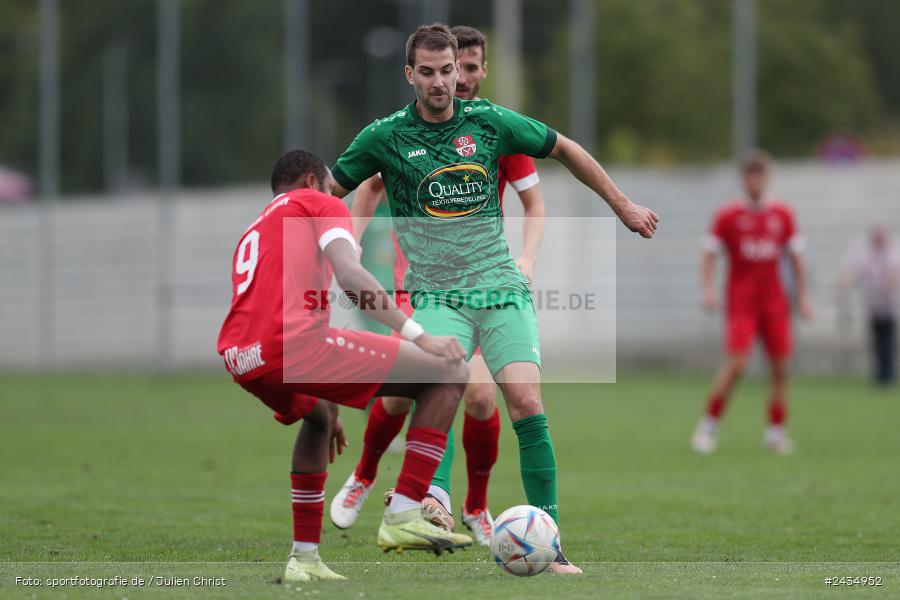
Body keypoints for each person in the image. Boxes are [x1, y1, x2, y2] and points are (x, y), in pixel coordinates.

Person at [328, 23, 659, 574]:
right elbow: (330, 194)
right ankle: (422, 498)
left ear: (459, 71)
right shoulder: (384, 136)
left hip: (499, 286)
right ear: (410, 75)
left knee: (526, 404)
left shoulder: (490, 123)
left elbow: (566, 149)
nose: (439, 83)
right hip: (436, 296)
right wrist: (317, 245)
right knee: (441, 387)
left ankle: (550, 545)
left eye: (447, 71)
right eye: (427, 73)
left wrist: (621, 206)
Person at [329, 24, 547, 548]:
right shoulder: (400, 134)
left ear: (478, 71)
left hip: (481, 282)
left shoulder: (492, 128)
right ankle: (386, 483)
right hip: (416, 280)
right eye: (447, 69)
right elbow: (368, 186)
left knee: (473, 396)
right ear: (415, 74)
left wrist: (526, 259)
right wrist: (350, 248)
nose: (459, 80)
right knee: (425, 391)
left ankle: (464, 503)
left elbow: (535, 203)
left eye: (466, 69)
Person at [216, 150, 473, 583]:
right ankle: (406, 511)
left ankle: (304, 560)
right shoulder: (320, 203)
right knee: (449, 372)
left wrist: (322, 395)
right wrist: (418, 334)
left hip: (242, 356)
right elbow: (351, 277)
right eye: (335, 183)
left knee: (319, 417)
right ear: (315, 181)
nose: (340, 190)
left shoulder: (256, 226)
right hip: (292, 345)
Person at [692, 150, 813, 456]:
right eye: (750, 174)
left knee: (781, 368)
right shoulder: (728, 215)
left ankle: (776, 432)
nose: (755, 180)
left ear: (767, 178)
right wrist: (708, 288)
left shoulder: (782, 214)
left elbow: (796, 257)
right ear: (743, 179)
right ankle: (708, 425)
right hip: (742, 303)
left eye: (761, 174)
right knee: (738, 365)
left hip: (774, 303)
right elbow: (708, 253)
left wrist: (802, 295)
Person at [839, 226, 900, 386]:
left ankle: (888, 375)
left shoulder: (893, 252)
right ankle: (880, 374)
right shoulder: (865, 253)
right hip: (873, 303)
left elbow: (895, 274)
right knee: (877, 341)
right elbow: (853, 270)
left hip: (889, 305)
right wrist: (846, 282)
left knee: (888, 341)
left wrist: (888, 286)